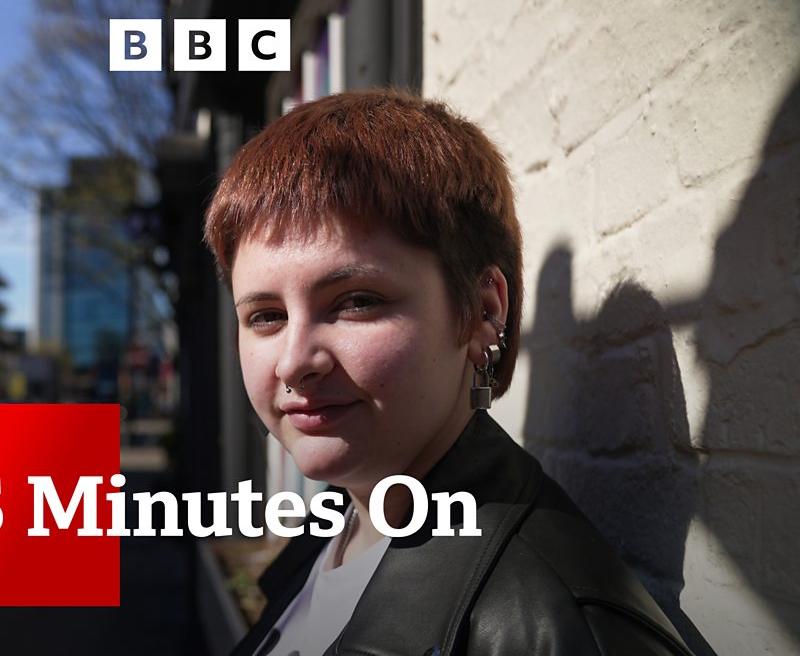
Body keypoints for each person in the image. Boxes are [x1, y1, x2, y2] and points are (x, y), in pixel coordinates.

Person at [203, 90, 694, 656]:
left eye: (357, 301)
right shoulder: (333, 524)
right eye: (266, 316)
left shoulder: (558, 630)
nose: (293, 362)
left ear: (483, 312)